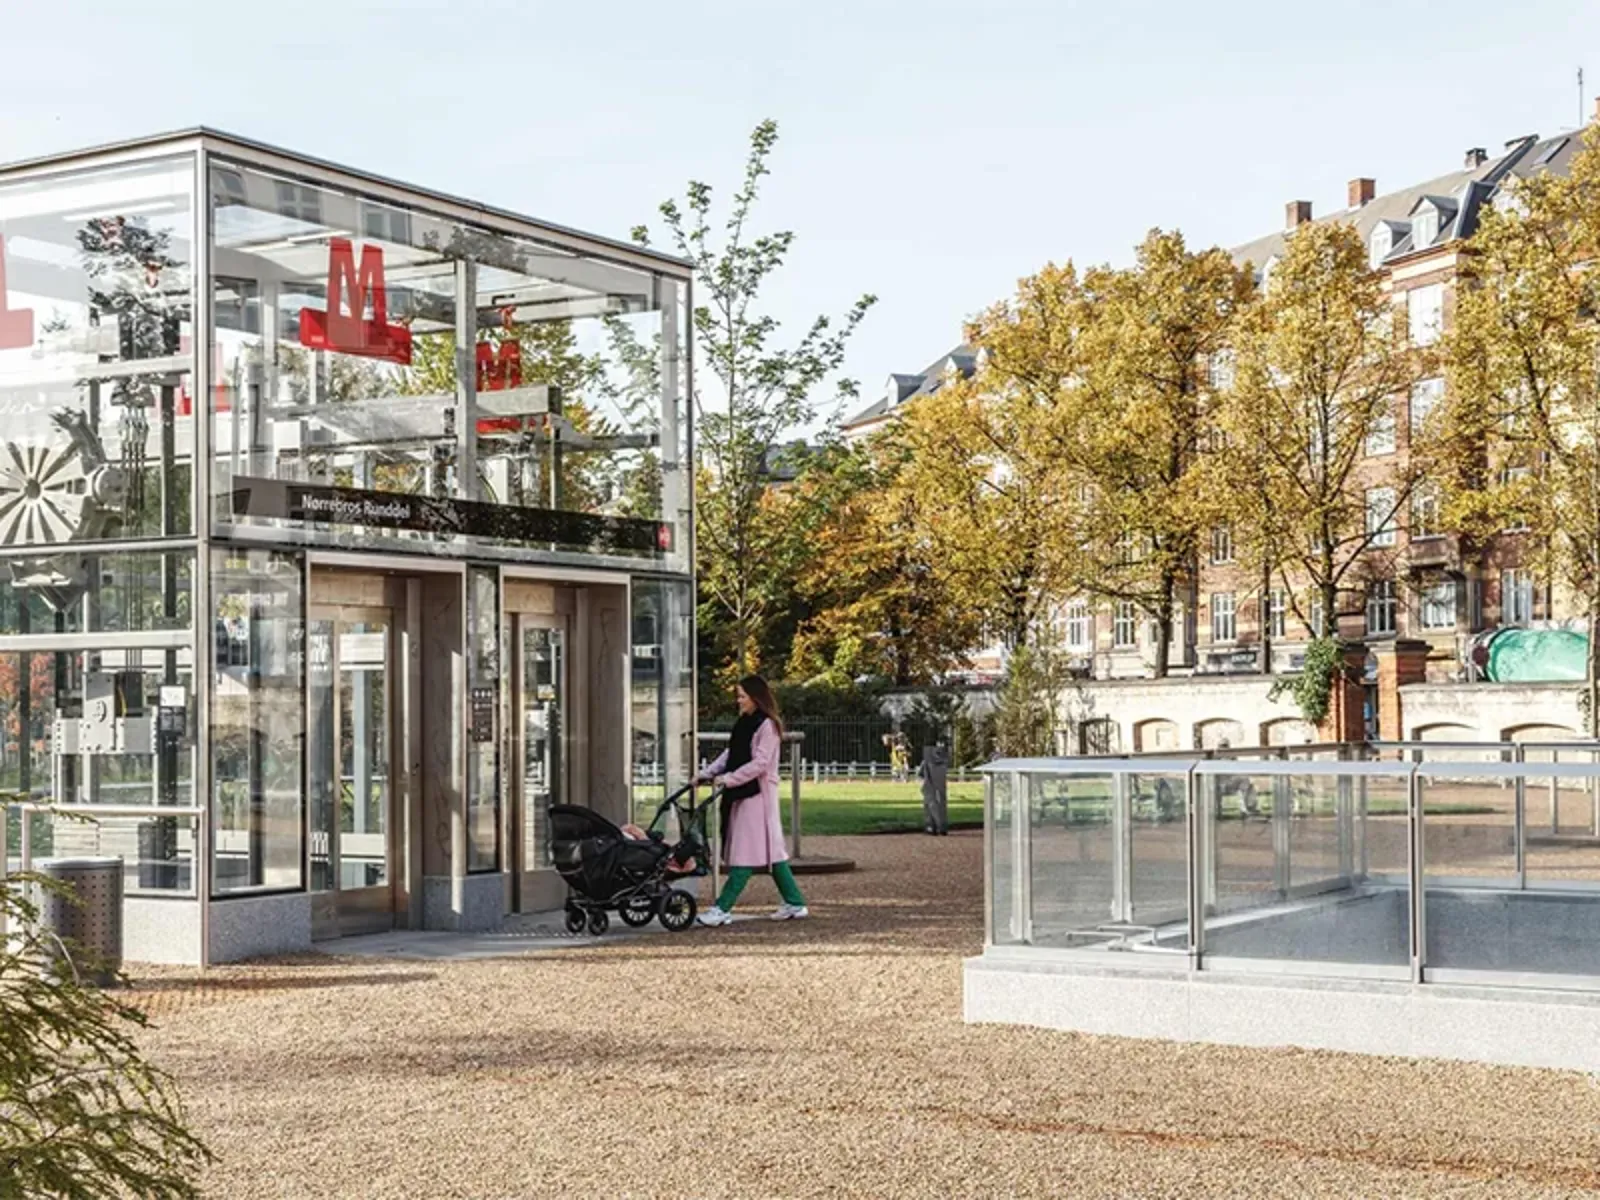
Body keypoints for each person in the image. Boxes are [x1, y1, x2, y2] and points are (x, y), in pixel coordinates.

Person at [695, 675, 808, 926]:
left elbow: (761, 763)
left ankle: (722, 908)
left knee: (744, 852)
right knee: (772, 852)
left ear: (755, 698)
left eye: (742, 696)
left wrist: (729, 778)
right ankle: (795, 901)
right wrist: (707, 774)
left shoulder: (767, 726)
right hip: (743, 790)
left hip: (756, 793)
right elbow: (731, 753)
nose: (738, 701)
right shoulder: (745, 723)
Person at [919, 738, 950, 835]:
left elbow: (922, 774)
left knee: (930, 801)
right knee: (940, 799)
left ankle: (934, 825)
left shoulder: (930, 757)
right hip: (938, 775)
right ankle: (938, 825)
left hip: (930, 777)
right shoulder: (943, 757)